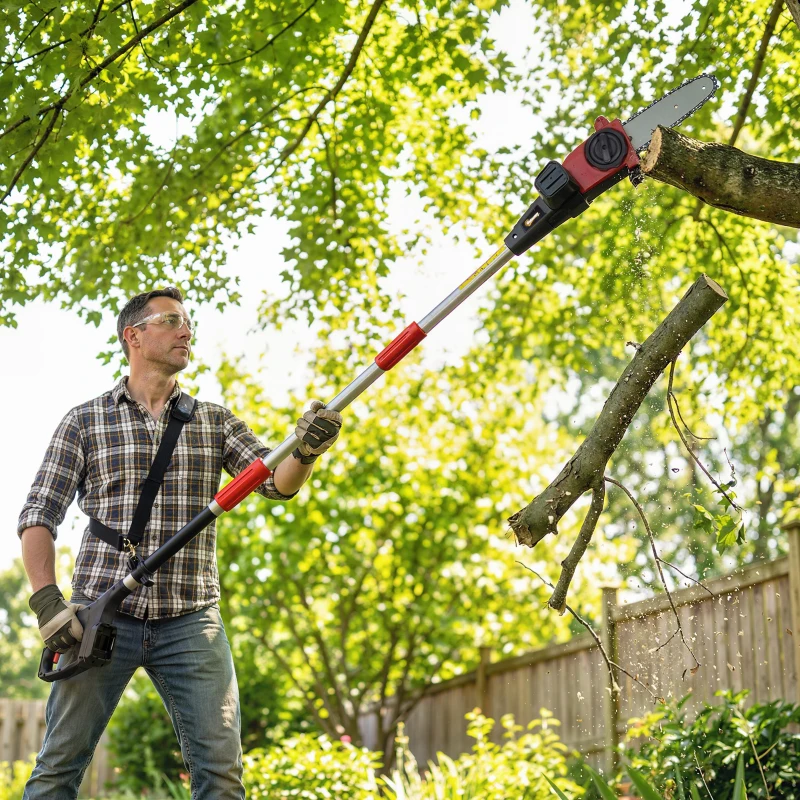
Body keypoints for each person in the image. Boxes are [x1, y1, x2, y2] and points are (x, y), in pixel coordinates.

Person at [17, 287, 343, 799]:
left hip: (192, 620)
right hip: (101, 615)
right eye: (172, 321)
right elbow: (39, 513)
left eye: (189, 323)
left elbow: (276, 482)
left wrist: (305, 449)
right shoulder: (85, 420)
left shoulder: (213, 421)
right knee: (59, 766)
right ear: (134, 336)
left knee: (220, 771)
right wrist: (46, 602)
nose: (186, 331)